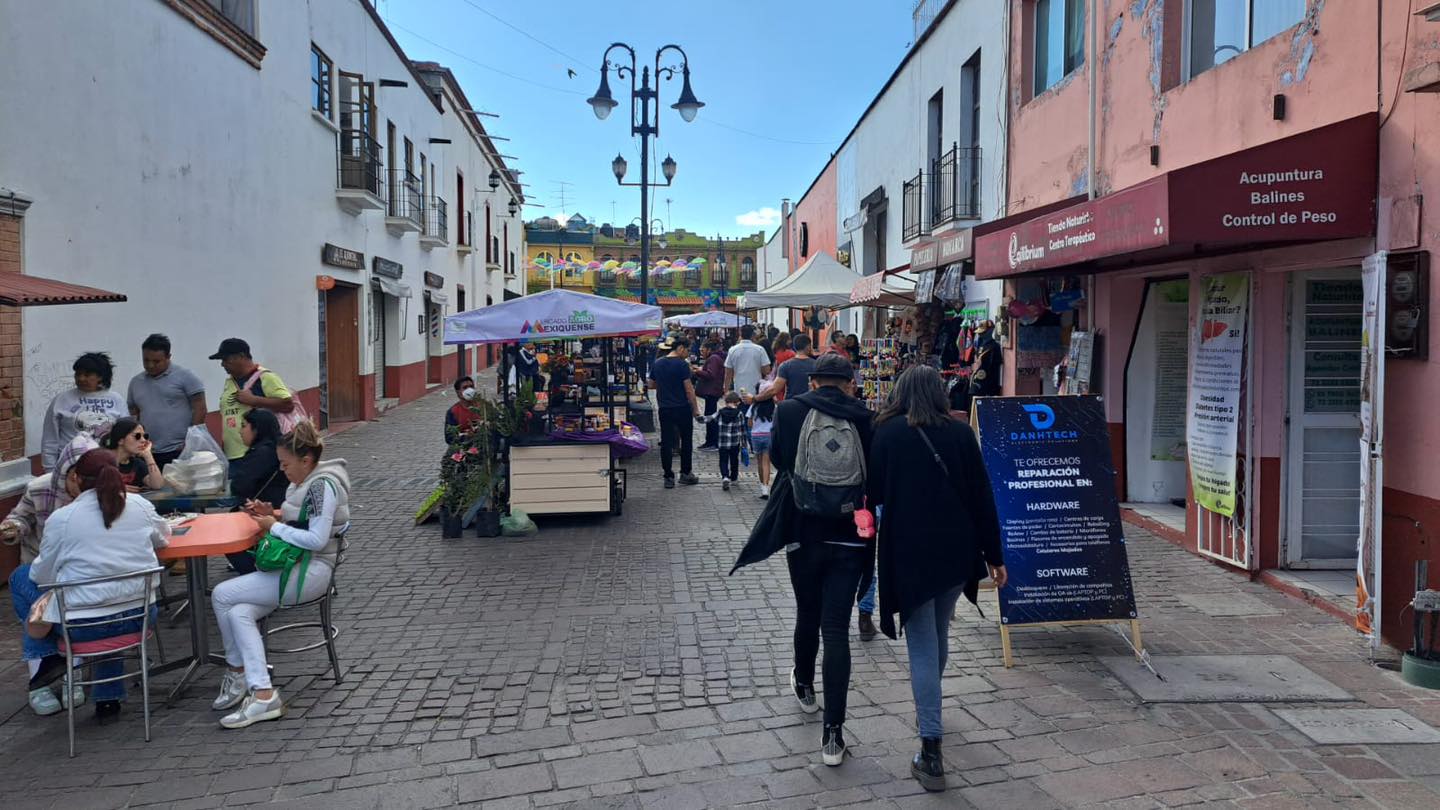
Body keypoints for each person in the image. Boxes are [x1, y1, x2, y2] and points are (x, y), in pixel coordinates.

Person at [869, 366, 1005, 792]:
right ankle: (930, 707)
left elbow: (874, 494)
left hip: (909, 552)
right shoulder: (960, 433)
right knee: (938, 634)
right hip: (956, 551)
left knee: (924, 645)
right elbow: (983, 496)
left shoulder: (887, 433)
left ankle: (931, 750)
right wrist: (995, 556)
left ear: (901, 392)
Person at [768, 353, 874, 767]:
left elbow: (778, 459)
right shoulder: (865, 417)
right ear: (849, 383)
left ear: (813, 382)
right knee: (836, 628)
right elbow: (875, 475)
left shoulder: (791, 411)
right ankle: (833, 735)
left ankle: (806, 687)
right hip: (850, 536)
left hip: (802, 531)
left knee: (806, 612)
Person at [10, 449, 169, 720]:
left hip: (82, 628)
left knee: (21, 577)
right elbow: (163, 538)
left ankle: (50, 658)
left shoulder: (63, 518)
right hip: (139, 617)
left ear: (77, 479)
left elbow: (42, 576)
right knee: (110, 600)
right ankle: (107, 698)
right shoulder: (140, 506)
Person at [212, 422, 350, 729]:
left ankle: (236, 674)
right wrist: (273, 513)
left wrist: (272, 525)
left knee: (222, 595)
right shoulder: (306, 482)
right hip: (300, 566)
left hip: (312, 571)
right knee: (239, 613)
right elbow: (303, 521)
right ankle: (262, 692)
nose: (282, 470)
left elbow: (316, 539)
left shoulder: (320, 486)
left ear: (306, 460)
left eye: (286, 464)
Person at [1, 435, 100, 573]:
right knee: (20, 578)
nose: (80, 486)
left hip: (84, 565)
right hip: (41, 561)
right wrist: (13, 527)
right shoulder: (39, 487)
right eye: (74, 478)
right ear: (66, 472)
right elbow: (22, 517)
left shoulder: (103, 492)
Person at [127, 333, 207, 470]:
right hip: (147, 451)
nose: (150, 365)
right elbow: (134, 414)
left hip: (180, 449)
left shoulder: (185, 376)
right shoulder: (136, 382)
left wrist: (191, 440)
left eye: (156, 361)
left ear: (168, 357)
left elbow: (200, 406)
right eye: (146, 360)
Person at [40, 352, 128, 470]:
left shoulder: (116, 399)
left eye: (87, 375)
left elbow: (127, 435)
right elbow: (49, 439)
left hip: (106, 467)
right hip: (70, 467)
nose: (81, 378)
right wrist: (49, 470)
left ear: (100, 376)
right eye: (78, 374)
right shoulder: (61, 400)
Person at [212, 338, 294, 462]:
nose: (222, 364)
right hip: (232, 455)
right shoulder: (230, 382)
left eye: (226, 359)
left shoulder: (265, 377)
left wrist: (253, 400)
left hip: (258, 454)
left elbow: (288, 404)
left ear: (241, 356)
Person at [647, 338, 701, 488]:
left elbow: (651, 384)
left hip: (664, 408)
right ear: (680, 348)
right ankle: (685, 473)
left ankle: (668, 476)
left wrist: (664, 385)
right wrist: (696, 409)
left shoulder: (657, 363)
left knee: (667, 442)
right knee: (686, 441)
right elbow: (689, 389)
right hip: (682, 408)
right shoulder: (682, 365)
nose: (688, 353)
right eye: (688, 350)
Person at [101, 418, 166, 491]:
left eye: (145, 436)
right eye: (137, 436)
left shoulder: (137, 464)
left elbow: (157, 485)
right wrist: (115, 488)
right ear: (120, 440)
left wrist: (148, 456)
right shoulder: (101, 461)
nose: (143, 440)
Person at [704, 391, 747, 490]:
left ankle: (725, 477)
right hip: (734, 442)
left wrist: (698, 417)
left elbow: (709, 418)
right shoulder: (739, 414)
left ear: (726, 402)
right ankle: (734, 478)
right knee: (734, 460)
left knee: (723, 460)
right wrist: (744, 443)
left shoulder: (720, 412)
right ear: (737, 402)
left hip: (722, 442)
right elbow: (742, 429)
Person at [760, 333, 817, 403]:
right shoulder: (816, 365)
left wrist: (755, 398)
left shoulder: (785, 365)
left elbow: (774, 390)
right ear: (808, 347)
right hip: (811, 403)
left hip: (791, 403)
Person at [746, 378, 777, 499]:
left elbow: (749, 423)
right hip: (768, 435)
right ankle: (766, 486)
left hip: (756, 436)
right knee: (766, 462)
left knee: (759, 462)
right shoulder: (774, 407)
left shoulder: (754, 406)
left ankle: (762, 487)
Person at [693, 341, 726, 450]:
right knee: (710, 416)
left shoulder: (713, 358)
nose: (701, 352)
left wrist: (697, 371)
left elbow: (711, 374)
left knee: (710, 417)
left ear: (709, 349)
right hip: (712, 391)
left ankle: (712, 442)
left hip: (712, 391)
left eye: (702, 350)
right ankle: (711, 441)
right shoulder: (714, 358)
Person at [723, 324, 771, 397]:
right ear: (753, 335)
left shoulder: (732, 350)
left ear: (740, 334)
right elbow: (766, 370)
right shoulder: (760, 350)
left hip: (738, 390)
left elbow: (728, 373)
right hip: (756, 391)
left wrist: (726, 391)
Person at [968, 320, 1002, 401]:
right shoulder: (980, 345)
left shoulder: (994, 347)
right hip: (976, 383)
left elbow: (995, 368)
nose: (980, 334)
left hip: (988, 386)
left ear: (991, 331)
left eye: (983, 332)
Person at [445, 377, 481, 444]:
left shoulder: (483, 407)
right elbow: (450, 437)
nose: (469, 390)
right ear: (458, 392)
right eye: (465, 387)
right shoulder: (453, 411)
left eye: (471, 386)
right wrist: (467, 436)